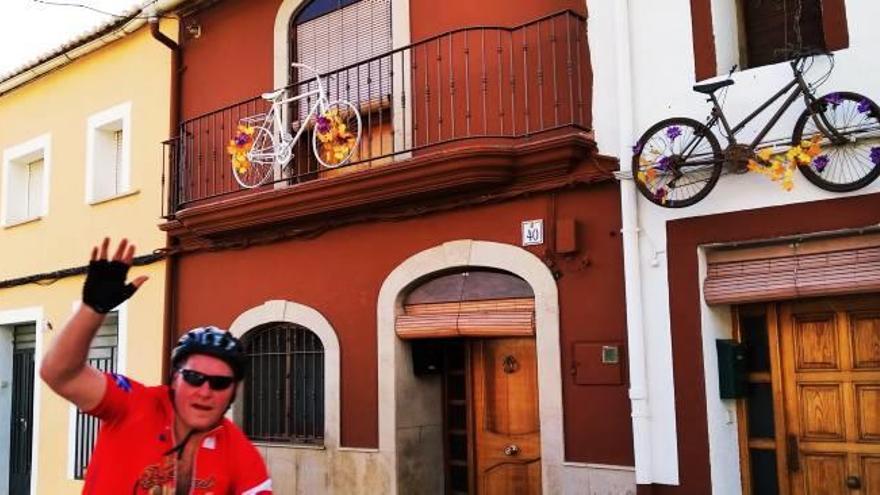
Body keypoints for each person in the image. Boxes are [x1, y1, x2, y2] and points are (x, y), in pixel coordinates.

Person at [40, 238, 272, 494]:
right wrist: (92, 309)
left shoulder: (240, 453)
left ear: (233, 392)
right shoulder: (133, 405)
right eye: (195, 377)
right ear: (174, 379)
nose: (205, 391)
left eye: (219, 383)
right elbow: (58, 374)